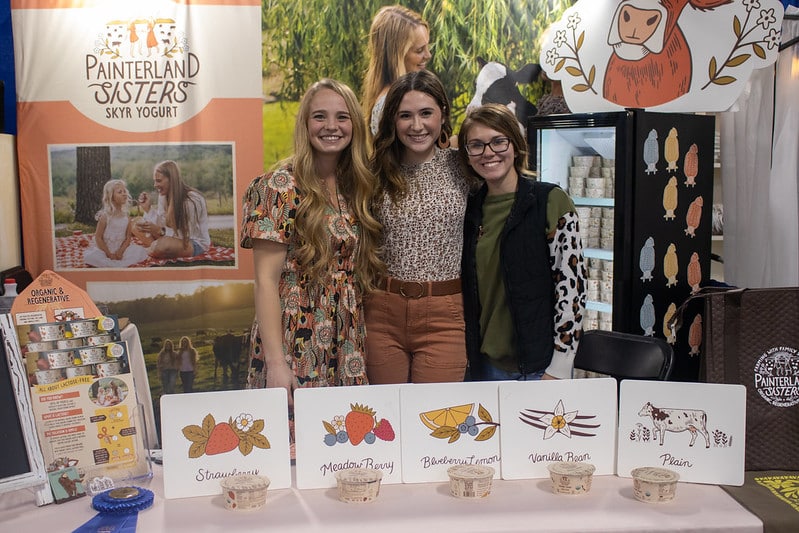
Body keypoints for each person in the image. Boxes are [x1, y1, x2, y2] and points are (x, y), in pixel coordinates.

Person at [240, 78, 383, 405]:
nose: (331, 126)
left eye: (342, 117)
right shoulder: (278, 186)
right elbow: (265, 282)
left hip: (347, 334)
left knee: (344, 435)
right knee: (294, 436)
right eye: (320, 116)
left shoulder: (357, 188)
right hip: (295, 332)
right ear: (305, 123)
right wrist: (276, 363)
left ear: (355, 125)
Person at [458, 103, 586, 381]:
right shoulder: (470, 210)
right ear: (467, 155)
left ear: (515, 145)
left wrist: (560, 367)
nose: (488, 152)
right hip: (483, 367)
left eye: (498, 141)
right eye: (476, 145)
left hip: (538, 368)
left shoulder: (550, 201)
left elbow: (572, 289)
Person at [366, 70, 478, 384]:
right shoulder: (374, 172)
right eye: (405, 115)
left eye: (426, 113)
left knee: (434, 420)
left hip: (444, 314)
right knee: (385, 418)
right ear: (392, 121)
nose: (417, 126)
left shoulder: (464, 166)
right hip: (382, 312)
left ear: (442, 114)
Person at [362, 5, 431, 137]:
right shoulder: (388, 104)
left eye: (428, 46)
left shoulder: (407, 95)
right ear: (396, 55)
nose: (428, 55)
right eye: (419, 50)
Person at [134, 160, 211, 259]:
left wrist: (159, 232)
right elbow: (163, 223)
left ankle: (146, 251)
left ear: (171, 180)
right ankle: (154, 247)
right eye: (155, 181)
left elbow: (184, 236)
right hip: (171, 238)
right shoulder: (163, 196)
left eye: (158, 181)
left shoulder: (191, 201)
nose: (155, 185)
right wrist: (148, 209)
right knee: (135, 224)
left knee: (163, 245)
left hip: (193, 242)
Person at [84, 179, 149, 268]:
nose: (124, 193)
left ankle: (119, 261)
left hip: (121, 250)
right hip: (105, 250)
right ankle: (108, 261)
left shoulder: (126, 217)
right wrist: (109, 254)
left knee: (139, 251)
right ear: (111, 196)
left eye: (124, 191)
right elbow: (98, 237)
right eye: (120, 192)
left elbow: (127, 238)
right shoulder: (105, 217)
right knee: (93, 257)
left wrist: (121, 251)